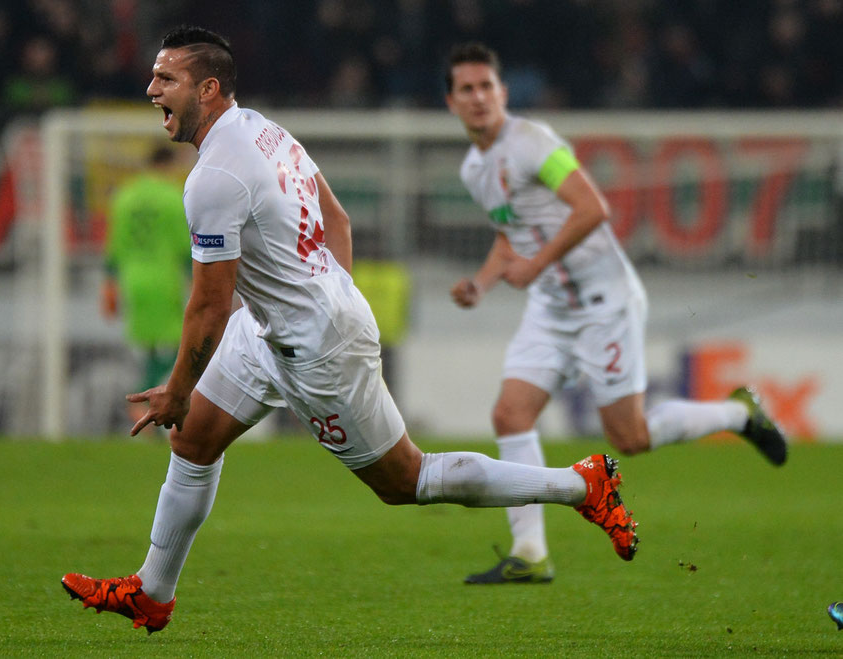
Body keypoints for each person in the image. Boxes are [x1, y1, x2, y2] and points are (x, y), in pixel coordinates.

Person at [61, 26, 639, 634]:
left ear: (207, 88)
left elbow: (207, 304)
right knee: (194, 442)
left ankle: (581, 484)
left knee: (406, 480)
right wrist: (322, 291)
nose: (151, 89)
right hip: (267, 328)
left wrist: (183, 385)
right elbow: (335, 216)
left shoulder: (213, 179)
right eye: (153, 76)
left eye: (165, 79)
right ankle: (152, 594)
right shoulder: (263, 129)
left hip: (316, 346)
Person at [443, 42, 788, 586]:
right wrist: (482, 284)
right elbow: (513, 233)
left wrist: (535, 267)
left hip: (604, 300)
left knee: (629, 437)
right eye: (467, 89)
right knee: (510, 415)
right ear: (452, 102)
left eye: (487, 86)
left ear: (503, 93)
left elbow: (592, 208)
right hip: (552, 308)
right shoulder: (474, 169)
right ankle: (530, 552)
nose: (479, 97)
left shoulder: (532, 142)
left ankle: (739, 415)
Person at [101, 145, 192, 429]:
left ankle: (145, 404)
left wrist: (109, 284)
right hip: (162, 278)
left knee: (152, 348)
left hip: (132, 279)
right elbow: (183, 246)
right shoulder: (172, 197)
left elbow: (114, 245)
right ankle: (143, 400)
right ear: (166, 165)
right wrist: (195, 279)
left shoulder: (125, 197)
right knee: (185, 343)